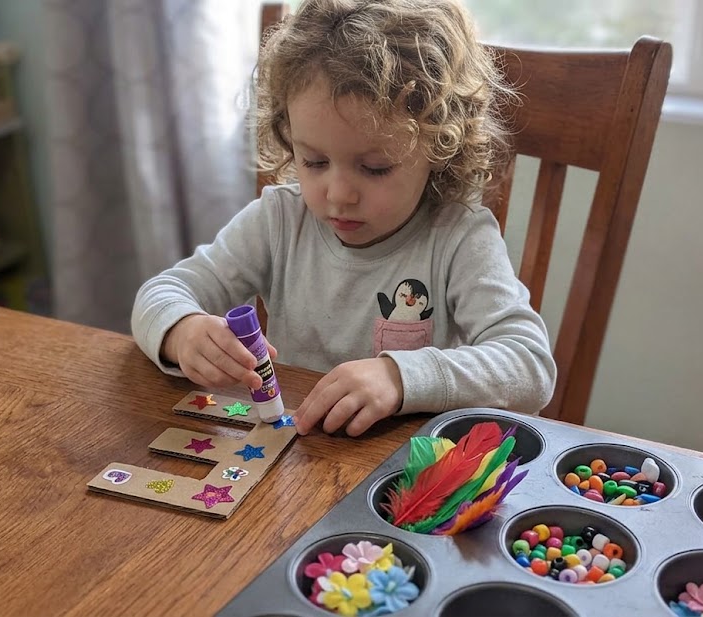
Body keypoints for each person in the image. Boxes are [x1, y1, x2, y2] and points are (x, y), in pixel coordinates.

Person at [132, 0, 556, 437]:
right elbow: (162, 292)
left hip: (401, 476)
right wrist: (182, 331)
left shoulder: (459, 236)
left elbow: (530, 366)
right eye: (313, 161)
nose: (337, 194)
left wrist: (399, 377)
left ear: (440, 149)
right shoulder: (279, 219)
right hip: (293, 459)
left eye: (374, 168)